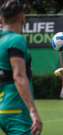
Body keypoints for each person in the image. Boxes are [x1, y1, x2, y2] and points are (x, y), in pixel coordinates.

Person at [0, 0, 42, 135]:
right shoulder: (16, 40)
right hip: (16, 109)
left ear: (2, 18)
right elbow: (18, 76)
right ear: (22, 17)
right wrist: (33, 112)